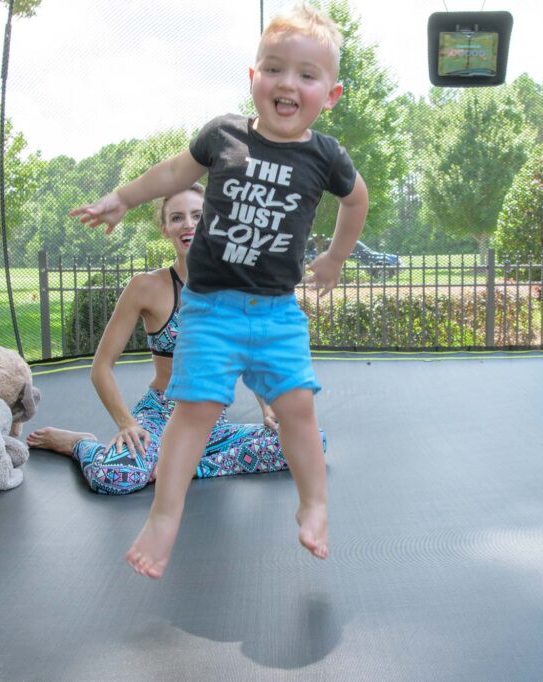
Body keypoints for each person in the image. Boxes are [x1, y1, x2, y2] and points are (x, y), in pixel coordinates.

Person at [71, 3, 368, 578]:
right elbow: (171, 173)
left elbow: (356, 200)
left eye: (307, 76)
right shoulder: (224, 134)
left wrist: (334, 256)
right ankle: (164, 517)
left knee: (300, 412)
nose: (289, 84)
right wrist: (123, 197)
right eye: (275, 69)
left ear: (329, 95)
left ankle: (314, 504)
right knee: (194, 412)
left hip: (278, 314)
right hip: (210, 311)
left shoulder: (326, 155)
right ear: (253, 78)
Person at [28, 185, 322, 493]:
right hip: (159, 416)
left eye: (198, 215)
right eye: (177, 217)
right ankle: (80, 444)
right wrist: (127, 423)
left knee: (310, 441)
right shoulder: (145, 287)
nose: (189, 224)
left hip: (211, 421)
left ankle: (186, 466)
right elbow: (101, 367)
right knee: (114, 478)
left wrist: (267, 406)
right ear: (165, 228)